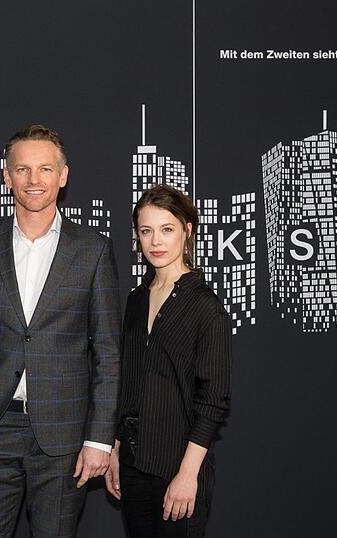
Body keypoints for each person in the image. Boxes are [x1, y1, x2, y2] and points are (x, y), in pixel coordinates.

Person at [0, 124, 122, 537]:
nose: (33, 180)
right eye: (22, 169)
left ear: (63, 175)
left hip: (63, 434)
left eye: (44, 169)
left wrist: (98, 438)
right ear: (6, 177)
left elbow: (108, 351)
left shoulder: (92, 250)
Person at [104, 185, 232, 538]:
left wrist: (188, 475)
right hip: (132, 464)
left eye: (167, 229)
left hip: (178, 467)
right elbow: (127, 383)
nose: (155, 241)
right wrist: (115, 450)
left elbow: (213, 401)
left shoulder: (206, 307)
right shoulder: (136, 300)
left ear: (187, 230)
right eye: (146, 231)